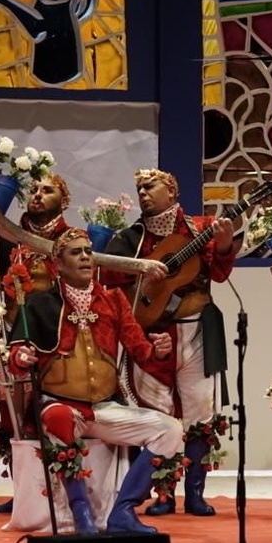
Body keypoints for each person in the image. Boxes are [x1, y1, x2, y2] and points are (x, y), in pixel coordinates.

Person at [6, 228, 183, 534]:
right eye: (76, 252)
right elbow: (16, 355)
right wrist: (21, 357)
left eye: (88, 251)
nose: (86, 257)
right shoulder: (39, 303)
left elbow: (142, 351)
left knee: (170, 429)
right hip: (57, 405)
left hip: (104, 407)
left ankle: (123, 511)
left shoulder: (113, 300)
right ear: (58, 264)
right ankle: (82, 514)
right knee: (60, 417)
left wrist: (159, 350)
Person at [103, 168, 235, 516]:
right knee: (158, 412)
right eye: (139, 188)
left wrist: (223, 245)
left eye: (150, 186)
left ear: (173, 191)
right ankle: (164, 493)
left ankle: (195, 492)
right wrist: (142, 275)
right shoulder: (130, 238)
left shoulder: (200, 227)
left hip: (196, 332)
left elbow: (219, 274)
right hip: (152, 335)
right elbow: (110, 281)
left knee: (200, 412)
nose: (143, 192)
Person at [0, 171, 73, 514]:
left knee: (52, 412)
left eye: (47, 190)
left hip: (56, 337)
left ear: (63, 201)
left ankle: (60, 487)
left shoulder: (72, 240)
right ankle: (22, 492)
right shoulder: (9, 237)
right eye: (34, 189)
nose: (38, 195)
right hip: (16, 333)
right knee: (14, 413)